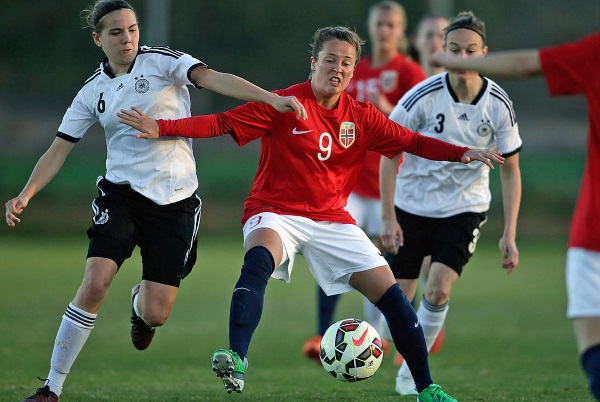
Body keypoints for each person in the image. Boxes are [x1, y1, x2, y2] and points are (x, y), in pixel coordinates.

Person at [120, 25, 505, 401]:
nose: (337, 69)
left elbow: (412, 141)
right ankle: (237, 357)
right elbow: (221, 123)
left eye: (346, 63)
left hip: (332, 218)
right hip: (275, 211)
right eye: (330, 60)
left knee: (393, 298)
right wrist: (163, 126)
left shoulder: (363, 116)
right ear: (313, 62)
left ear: (354, 70)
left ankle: (427, 389)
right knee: (257, 262)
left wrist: (461, 152)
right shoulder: (283, 103)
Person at [4, 1, 306, 401]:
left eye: (132, 29)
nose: (127, 38)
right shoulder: (92, 92)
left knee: (156, 312)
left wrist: (270, 98)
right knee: (94, 283)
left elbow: (215, 79)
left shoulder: (163, 62)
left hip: (176, 201)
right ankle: (51, 389)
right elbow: (58, 149)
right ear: (98, 39)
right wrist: (25, 194)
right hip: (121, 195)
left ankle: (138, 304)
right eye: (115, 32)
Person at [430, 30, 600, 402]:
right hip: (590, 239)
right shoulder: (423, 97)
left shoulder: (594, 52)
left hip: (592, 240)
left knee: (595, 362)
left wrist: (457, 61)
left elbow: (526, 64)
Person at [380, 11, 522, 396]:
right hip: (412, 206)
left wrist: (509, 233)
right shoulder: (420, 98)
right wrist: (388, 216)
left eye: (471, 51)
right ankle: (376, 342)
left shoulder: (498, 103)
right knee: (397, 299)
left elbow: (510, 170)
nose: (462, 58)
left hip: (465, 208)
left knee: (439, 288)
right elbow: (389, 154)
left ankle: (412, 376)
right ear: (443, 52)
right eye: (454, 50)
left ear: (484, 53)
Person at [301, 0, 426, 363]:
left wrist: (388, 109)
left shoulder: (409, 71)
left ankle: (399, 340)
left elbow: (417, 129)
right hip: (352, 185)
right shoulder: (356, 67)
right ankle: (321, 333)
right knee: (331, 251)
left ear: (401, 32)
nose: (384, 30)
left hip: (392, 186)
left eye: (391, 25)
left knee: (396, 263)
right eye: (379, 24)